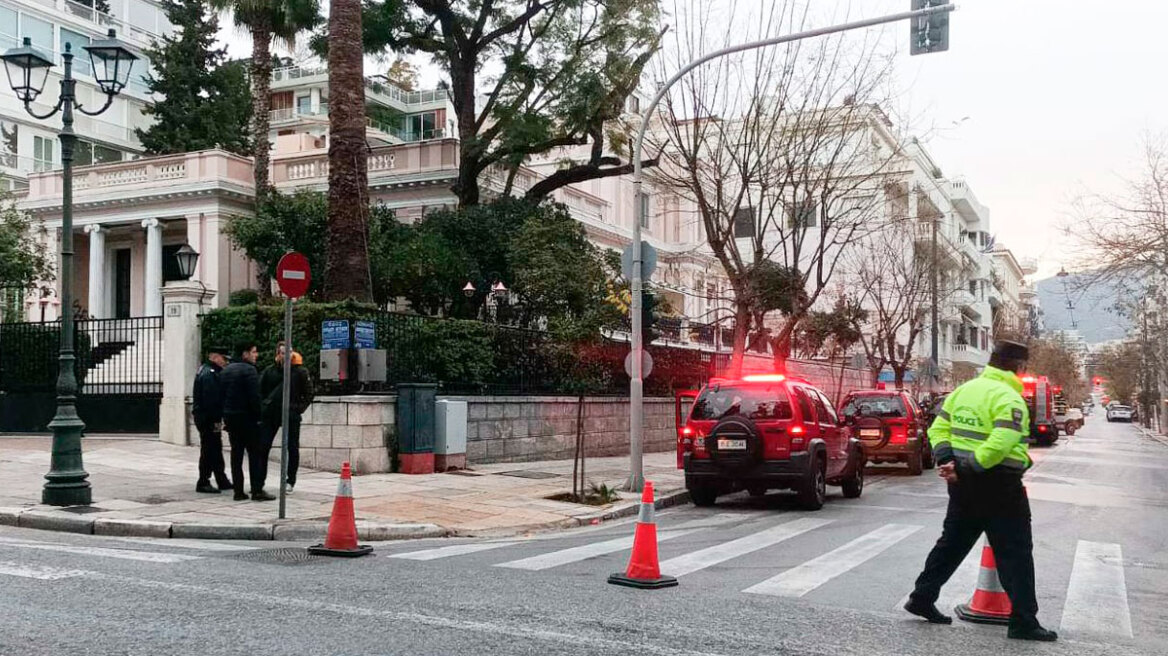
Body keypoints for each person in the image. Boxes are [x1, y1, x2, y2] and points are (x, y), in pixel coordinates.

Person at [904, 340, 1057, 642]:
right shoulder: (1009, 398)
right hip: (997, 485)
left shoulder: (964, 390)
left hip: (962, 485)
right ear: (1019, 367)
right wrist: (969, 466)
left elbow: (937, 429)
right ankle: (1024, 621)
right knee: (1015, 552)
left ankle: (922, 597)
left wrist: (948, 460)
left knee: (953, 543)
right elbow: (1001, 442)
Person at [219, 341, 275, 502]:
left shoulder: (226, 370)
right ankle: (257, 490)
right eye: (254, 352)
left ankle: (238, 491)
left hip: (231, 418)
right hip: (248, 419)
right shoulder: (249, 370)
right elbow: (254, 397)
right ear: (245, 354)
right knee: (254, 455)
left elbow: (221, 396)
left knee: (236, 455)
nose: (256, 355)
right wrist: (259, 417)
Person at [260, 341, 315, 494]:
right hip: (271, 414)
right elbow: (261, 391)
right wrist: (265, 407)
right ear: (278, 355)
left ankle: (290, 480)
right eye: (284, 352)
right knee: (263, 447)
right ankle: (259, 481)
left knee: (292, 447)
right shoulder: (269, 372)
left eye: (290, 352)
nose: (287, 355)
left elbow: (309, 393)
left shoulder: (300, 372)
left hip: (291, 414)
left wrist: (298, 409)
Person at [191, 346, 232, 494]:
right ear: (214, 357)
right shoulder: (210, 374)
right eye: (224, 358)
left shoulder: (208, 371)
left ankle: (221, 479)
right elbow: (212, 400)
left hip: (207, 417)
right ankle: (203, 481)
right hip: (208, 418)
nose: (226, 362)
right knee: (209, 448)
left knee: (215, 447)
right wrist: (218, 419)